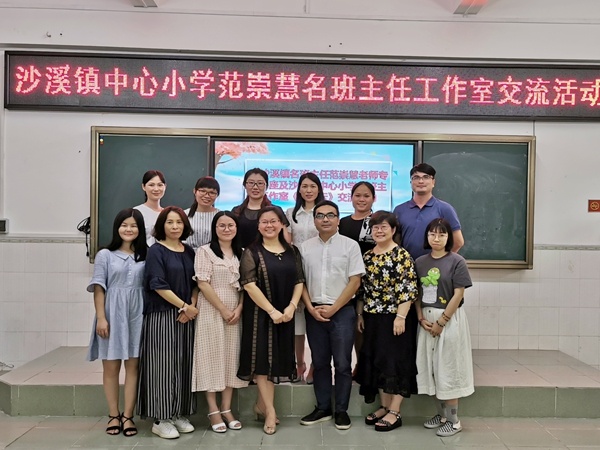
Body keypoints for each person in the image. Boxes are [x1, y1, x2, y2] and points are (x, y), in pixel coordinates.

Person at [237, 206, 304, 435]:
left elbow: (299, 281)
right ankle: (270, 411)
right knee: (262, 361)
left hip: (286, 314)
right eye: (264, 221)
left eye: (274, 221)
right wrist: (272, 311)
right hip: (260, 315)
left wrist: (291, 307)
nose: (269, 225)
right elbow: (249, 284)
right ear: (258, 226)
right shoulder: (252, 251)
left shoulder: (292, 251)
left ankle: (261, 405)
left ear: (282, 224)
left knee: (276, 360)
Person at [299, 200, 365, 430]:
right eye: (320, 215)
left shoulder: (350, 246)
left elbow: (355, 281)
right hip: (314, 311)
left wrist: (334, 308)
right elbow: (300, 281)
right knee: (319, 362)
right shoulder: (304, 248)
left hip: (342, 311)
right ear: (314, 220)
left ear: (338, 219)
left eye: (330, 215)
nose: (325, 219)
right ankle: (323, 408)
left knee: (343, 363)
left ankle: (341, 411)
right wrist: (310, 308)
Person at [137, 206, 199, 440]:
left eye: (179, 222)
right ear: (161, 225)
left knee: (183, 364)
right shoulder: (156, 250)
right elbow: (157, 283)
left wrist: (191, 306)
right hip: (162, 315)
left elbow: (196, 283)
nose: (175, 226)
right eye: (170, 222)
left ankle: (177, 413)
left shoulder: (189, 251)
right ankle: (161, 418)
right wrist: (183, 306)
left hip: (186, 316)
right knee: (162, 366)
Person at [355, 211, 418, 432]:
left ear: (393, 230)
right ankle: (384, 406)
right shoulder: (367, 256)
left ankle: (395, 411)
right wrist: (360, 315)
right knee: (378, 361)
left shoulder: (401, 255)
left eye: (383, 227)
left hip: (395, 317)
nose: (379, 231)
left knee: (396, 362)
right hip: (372, 317)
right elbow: (362, 290)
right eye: (375, 227)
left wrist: (400, 317)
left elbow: (407, 289)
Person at [86, 208, 147, 437]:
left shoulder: (146, 254)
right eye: (124, 225)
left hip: (138, 314)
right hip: (112, 314)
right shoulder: (105, 255)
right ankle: (113, 414)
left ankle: (128, 416)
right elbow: (99, 288)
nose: (128, 229)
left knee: (133, 367)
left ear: (140, 229)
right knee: (111, 367)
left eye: (133, 225)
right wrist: (101, 317)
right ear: (117, 227)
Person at [415, 218, 474, 437]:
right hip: (426, 320)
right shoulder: (420, 262)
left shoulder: (457, 261)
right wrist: (420, 318)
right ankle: (441, 415)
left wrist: (442, 322)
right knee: (430, 368)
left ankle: (454, 420)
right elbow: (416, 294)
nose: (436, 238)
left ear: (449, 237)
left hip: (448, 319)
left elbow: (458, 294)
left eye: (441, 234)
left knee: (448, 368)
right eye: (432, 234)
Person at [191, 211, 248, 433]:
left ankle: (226, 408)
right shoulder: (204, 251)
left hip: (235, 313)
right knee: (211, 357)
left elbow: (246, 285)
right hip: (211, 311)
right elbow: (203, 283)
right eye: (221, 225)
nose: (226, 229)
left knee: (230, 358)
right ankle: (213, 410)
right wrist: (223, 309)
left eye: (230, 225)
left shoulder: (242, 253)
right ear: (214, 229)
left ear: (236, 228)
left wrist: (239, 308)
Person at [285, 172, 324, 384]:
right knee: (297, 324)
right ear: (299, 189)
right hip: (296, 270)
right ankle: (299, 363)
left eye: (312, 186)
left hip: (320, 269)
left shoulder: (324, 211)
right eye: (305, 186)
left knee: (316, 323)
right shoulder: (291, 213)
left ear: (319, 189)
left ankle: (316, 366)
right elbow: (287, 243)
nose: (308, 190)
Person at [393, 163, 464, 260]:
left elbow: (458, 242)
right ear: (411, 182)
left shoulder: (445, 209)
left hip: (435, 267)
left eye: (426, 177)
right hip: (406, 265)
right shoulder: (399, 210)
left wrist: (442, 261)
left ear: (433, 182)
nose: (421, 181)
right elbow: (394, 242)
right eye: (416, 177)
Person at [232, 168, 289, 248]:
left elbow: (285, 240)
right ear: (245, 185)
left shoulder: (276, 211)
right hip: (241, 254)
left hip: (269, 254)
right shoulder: (236, 212)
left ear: (267, 186)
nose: (255, 187)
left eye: (260, 183)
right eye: (251, 183)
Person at [338, 181, 376, 255]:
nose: (361, 199)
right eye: (357, 196)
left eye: (366, 196)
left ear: (373, 198)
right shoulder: (343, 222)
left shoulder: (377, 222)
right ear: (351, 197)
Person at [185, 176, 220, 250]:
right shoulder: (184, 215)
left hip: (212, 255)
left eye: (212, 193)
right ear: (195, 191)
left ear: (217, 195)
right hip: (187, 254)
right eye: (202, 191)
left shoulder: (220, 216)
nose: (207, 196)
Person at [134, 170, 166, 247]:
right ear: (143, 187)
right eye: (151, 185)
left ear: (165, 186)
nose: (156, 189)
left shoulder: (167, 214)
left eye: (160, 185)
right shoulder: (137, 212)